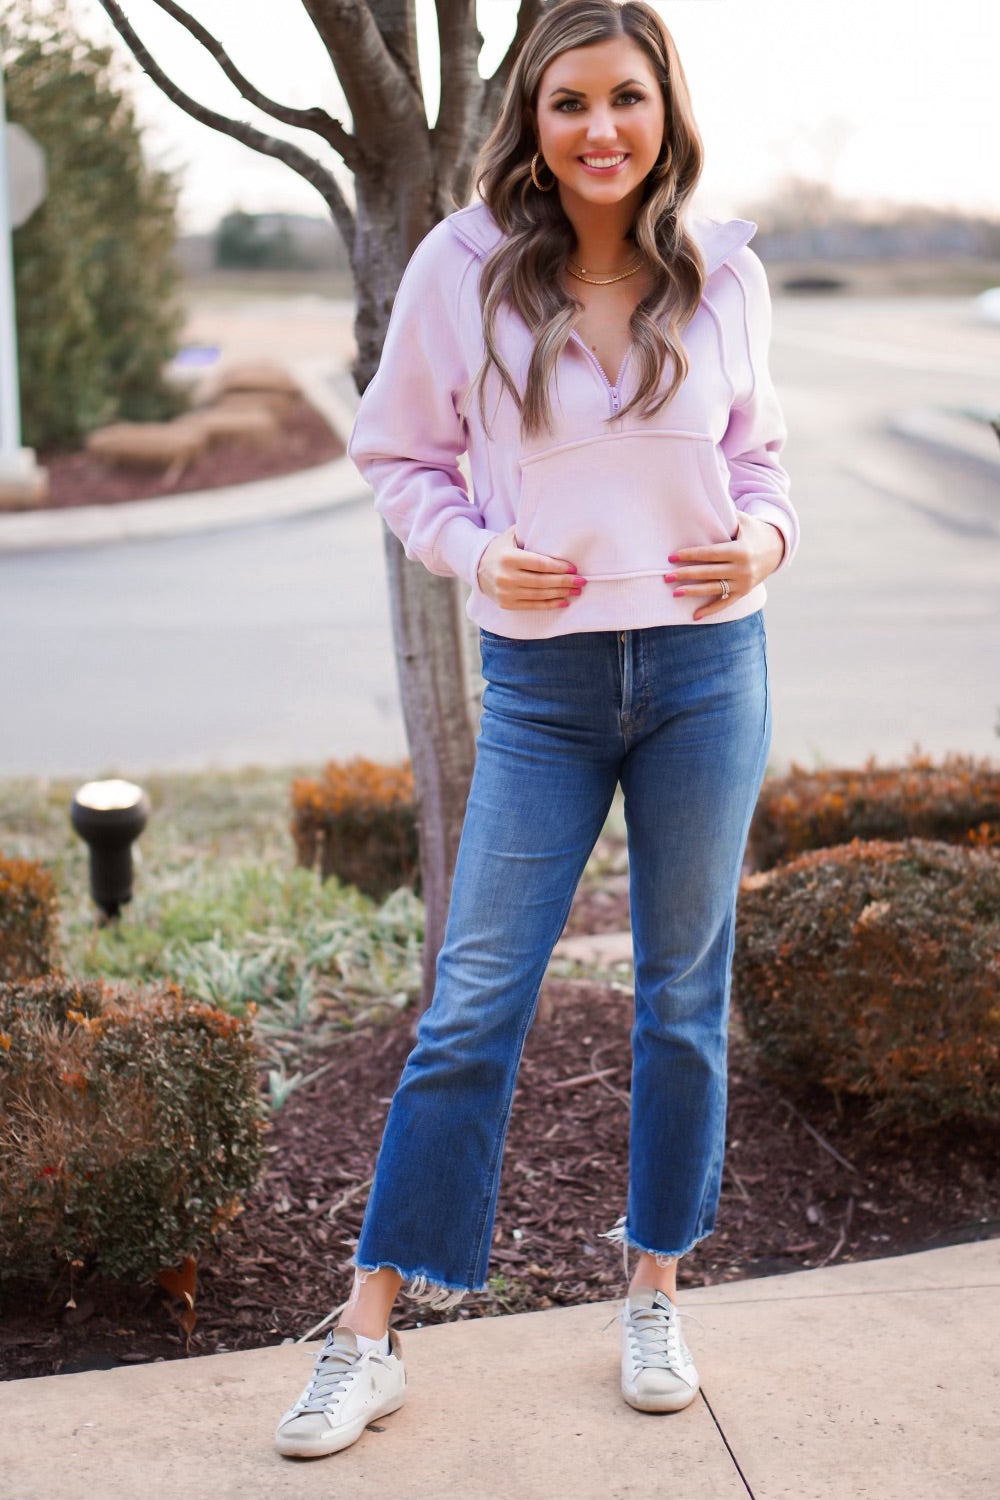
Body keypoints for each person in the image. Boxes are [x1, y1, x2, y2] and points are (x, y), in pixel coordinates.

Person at [275, 0, 798, 1460]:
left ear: (664, 109)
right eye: (569, 102)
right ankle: (367, 1331)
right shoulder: (463, 270)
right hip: (546, 691)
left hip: (709, 673)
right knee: (474, 1003)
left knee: (683, 998)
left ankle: (650, 1288)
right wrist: (468, 553)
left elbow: (762, 463)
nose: (600, 129)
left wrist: (762, 542)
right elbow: (397, 455)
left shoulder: (726, 273)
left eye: (626, 98)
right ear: (532, 116)